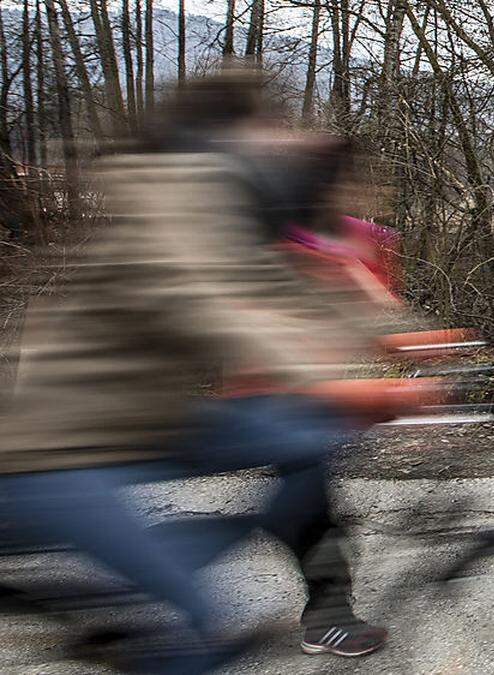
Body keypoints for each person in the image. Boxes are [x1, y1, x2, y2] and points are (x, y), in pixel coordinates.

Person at [0, 69, 396, 669]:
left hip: (152, 417)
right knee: (193, 633)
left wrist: (400, 338)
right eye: (266, 123)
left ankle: (297, 593)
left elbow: (284, 289)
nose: (279, 136)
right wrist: (327, 378)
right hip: (61, 450)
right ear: (222, 131)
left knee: (304, 440)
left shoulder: (220, 202)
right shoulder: (167, 192)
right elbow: (203, 304)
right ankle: (157, 594)